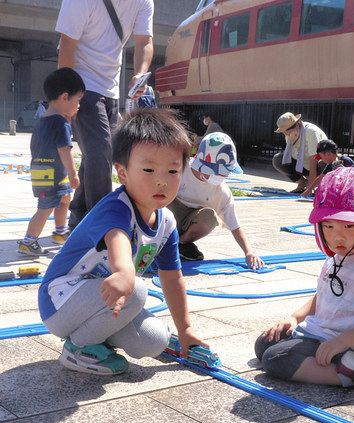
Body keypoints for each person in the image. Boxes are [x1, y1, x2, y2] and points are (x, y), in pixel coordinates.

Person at [38, 108, 206, 376]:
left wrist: (185, 329)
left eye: (173, 171)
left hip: (106, 297)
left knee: (154, 341)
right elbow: (118, 241)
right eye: (149, 169)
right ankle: (78, 348)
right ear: (123, 172)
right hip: (60, 300)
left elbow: (172, 278)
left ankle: (97, 336)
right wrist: (125, 272)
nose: (161, 180)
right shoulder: (116, 208)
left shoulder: (167, 223)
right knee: (136, 289)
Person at [255, 166, 354, 388]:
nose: (337, 236)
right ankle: (319, 363)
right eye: (328, 226)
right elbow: (322, 296)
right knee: (264, 344)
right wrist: (294, 319)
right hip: (319, 335)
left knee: (275, 360)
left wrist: (341, 342)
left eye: (349, 226)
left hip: (349, 349)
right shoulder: (337, 258)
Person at [56, 0, 154, 230]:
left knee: (97, 153)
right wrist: (66, 97)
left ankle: (79, 213)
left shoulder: (144, 2)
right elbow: (67, 45)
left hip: (111, 88)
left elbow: (145, 41)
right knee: (102, 151)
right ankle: (103, 226)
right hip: (82, 85)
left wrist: (139, 73)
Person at [166, 132, 264, 268]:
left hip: (188, 223)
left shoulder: (221, 191)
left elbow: (235, 225)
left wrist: (249, 252)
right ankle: (158, 239)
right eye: (216, 172)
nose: (220, 176)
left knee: (209, 218)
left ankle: (178, 245)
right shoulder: (180, 168)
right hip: (166, 214)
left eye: (224, 173)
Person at [18, 68, 85, 257]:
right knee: (45, 208)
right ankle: (28, 241)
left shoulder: (42, 121)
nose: (79, 105)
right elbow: (65, 150)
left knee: (65, 199)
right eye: (78, 100)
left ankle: (60, 232)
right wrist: (73, 174)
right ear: (65, 97)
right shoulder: (61, 124)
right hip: (53, 174)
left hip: (44, 171)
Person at [272, 112, 327, 194]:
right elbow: (291, 154)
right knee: (278, 159)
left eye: (287, 131)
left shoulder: (310, 132)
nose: (286, 134)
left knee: (323, 163)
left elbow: (315, 159)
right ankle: (302, 182)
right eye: (284, 132)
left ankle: (315, 184)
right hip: (303, 166)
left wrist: (309, 188)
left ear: (297, 124)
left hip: (318, 166)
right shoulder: (289, 134)